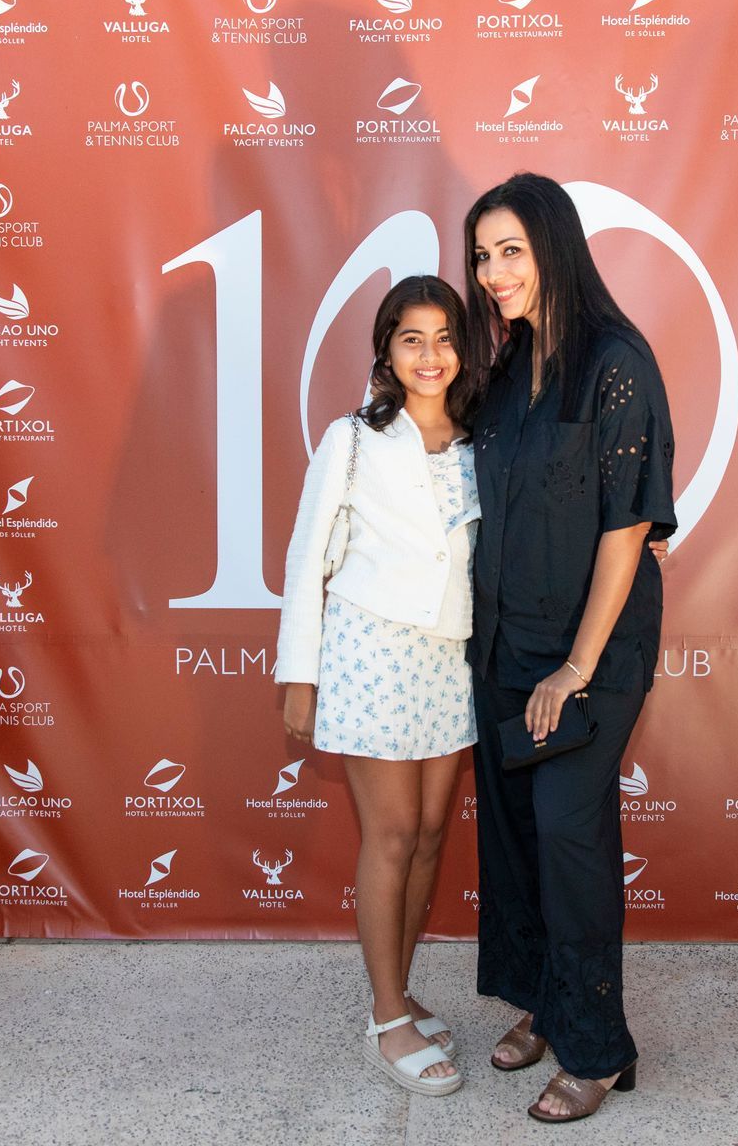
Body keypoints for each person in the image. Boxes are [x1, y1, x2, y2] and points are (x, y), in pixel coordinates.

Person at [462, 172, 677, 1123]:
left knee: (567, 832)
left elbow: (627, 528)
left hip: (591, 653)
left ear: (554, 247)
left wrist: (577, 668)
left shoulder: (616, 364)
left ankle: (597, 1047)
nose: (493, 272)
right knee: (515, 836)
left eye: (511, 250)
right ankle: (545, 1006)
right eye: (482, 255)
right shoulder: (506, 368)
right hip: (505, 644)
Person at [274, 276, 481, 1097]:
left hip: (451, 658)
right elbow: (307, 557)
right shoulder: (354, 438)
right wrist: (300, 675)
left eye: (444, 337)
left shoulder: (481, 438)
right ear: (387, 351)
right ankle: (387, 1018)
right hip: (371, 652)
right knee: (391, 834)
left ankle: (399, 990)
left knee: (429, 834)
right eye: (411, 338)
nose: (430, 355)